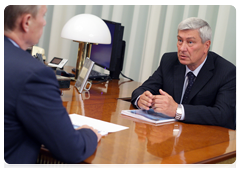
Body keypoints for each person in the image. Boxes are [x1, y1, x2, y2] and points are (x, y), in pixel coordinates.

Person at [4, 5, 102, 168]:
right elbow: (71, 149)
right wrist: (89, 133)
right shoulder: (33, 74)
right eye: (43, 16)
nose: (44, 23)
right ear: (26, 21)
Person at [131, 17, 237, 130]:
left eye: (190, 42)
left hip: (204, 138)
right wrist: (141, 99)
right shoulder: (169, 61)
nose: (182, 48)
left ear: (206, 45)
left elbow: (223, 115)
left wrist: (177, 110)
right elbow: (142, 89)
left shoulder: (226, 71)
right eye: (180, 40)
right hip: (168, 134)